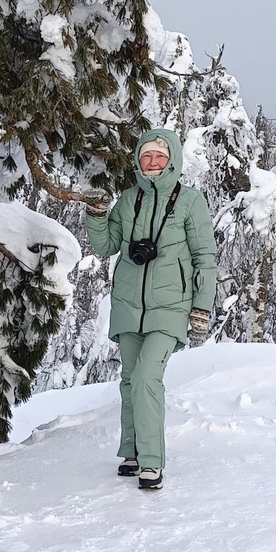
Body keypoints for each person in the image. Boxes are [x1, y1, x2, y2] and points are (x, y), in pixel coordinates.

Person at [84, 128, 217, 491]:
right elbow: (106, 246)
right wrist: (96, 215)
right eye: (147, 156)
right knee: (130, 381)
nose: (153, 162)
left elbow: (205, 258)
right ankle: (131, 452)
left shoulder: (190, 201)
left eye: (160, 156)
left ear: (172, 159)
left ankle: (152, 462)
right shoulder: (129, 200)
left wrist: (201, 307)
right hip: (129, 305)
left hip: (171, 307)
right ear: (138, 161)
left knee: (146, 378)